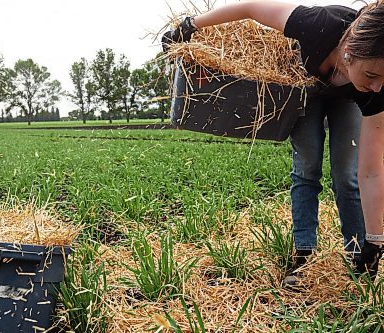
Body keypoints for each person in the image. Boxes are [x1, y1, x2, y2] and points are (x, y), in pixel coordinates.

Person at [162, 0, 383, 284]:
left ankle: (358, 253)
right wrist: (191, 24)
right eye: (374, 75)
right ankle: (304, 255)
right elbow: (252, 8)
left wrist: (376, 240)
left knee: (347, 174)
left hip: (349, 98)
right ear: (350, 52)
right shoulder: (316, 24)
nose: (379, 86)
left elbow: (372, 171)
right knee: (307, 165)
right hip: (305, 88)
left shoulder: (375, 89)